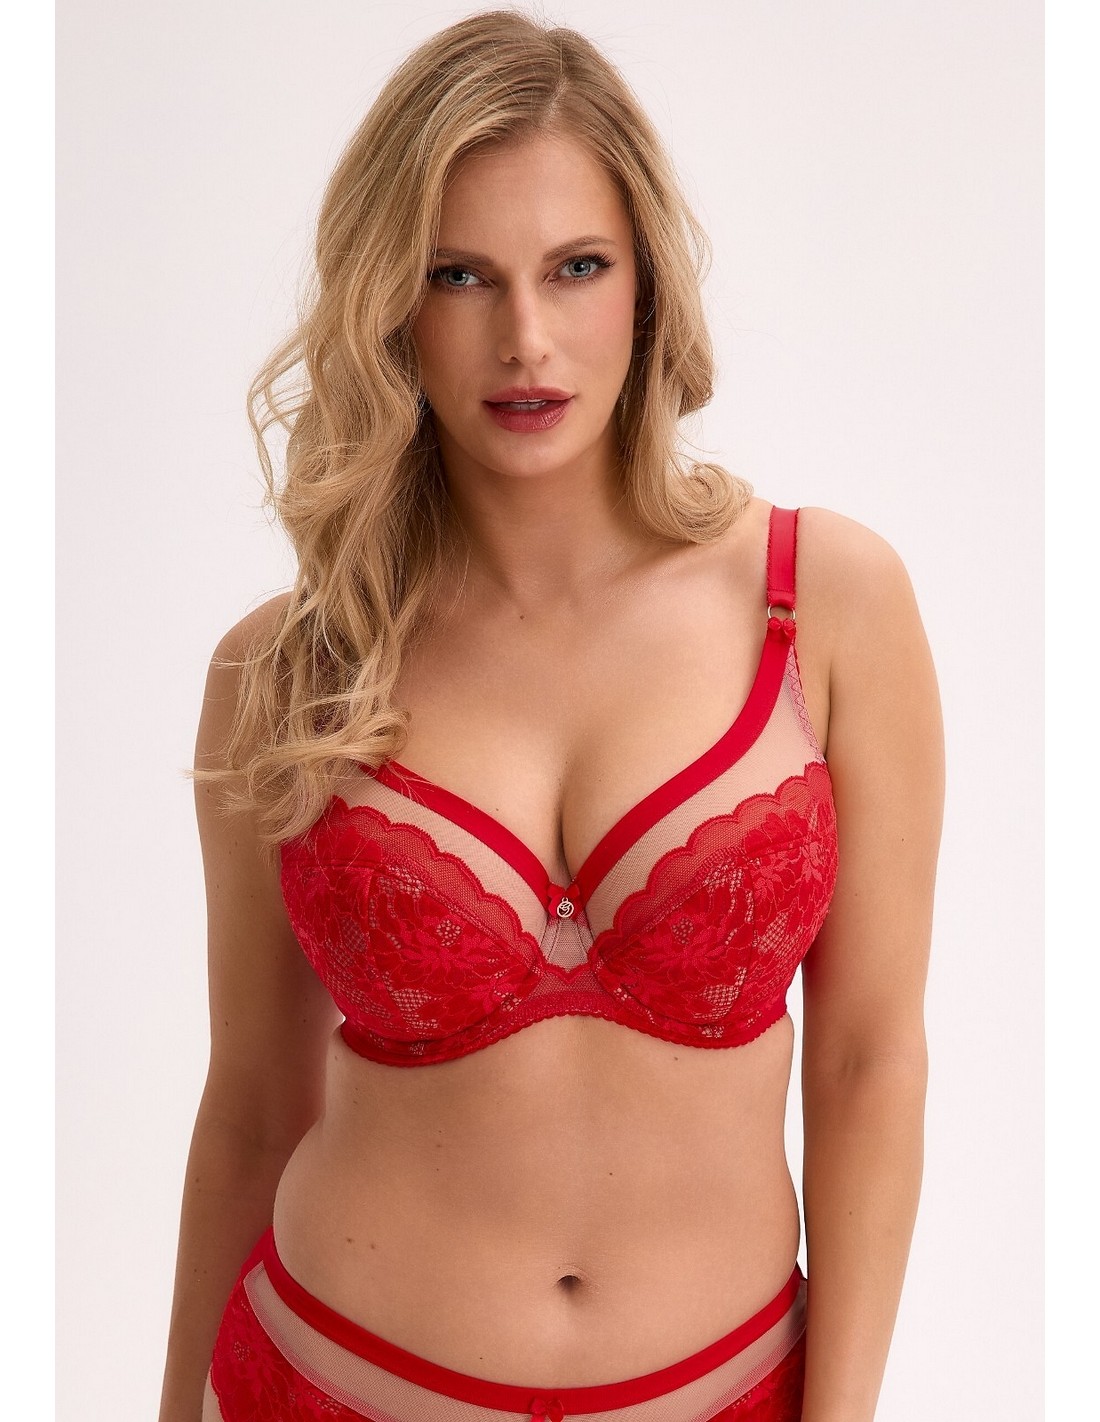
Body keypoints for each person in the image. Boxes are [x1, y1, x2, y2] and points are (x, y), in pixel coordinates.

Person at [157, 10, 944, 1422]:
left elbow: (868, 1059)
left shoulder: (825, 605)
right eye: (459, 275)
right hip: (325, 1381)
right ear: (391, 304)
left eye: (576, 268)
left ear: (646, 286)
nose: (525, 339)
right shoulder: (285, 672)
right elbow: (249, 1108)